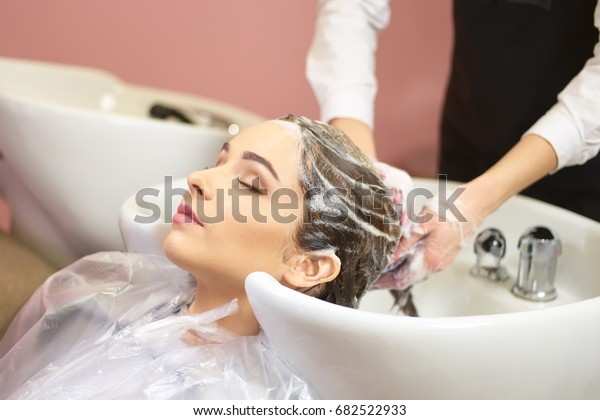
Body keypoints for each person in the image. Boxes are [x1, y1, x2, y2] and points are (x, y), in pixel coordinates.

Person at [0, 115, 401, 399]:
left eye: (250, 184)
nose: (198, 178)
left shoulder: (243, 397)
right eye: (218, 162)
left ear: (307, 266)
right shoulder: (110, 296)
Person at [306, 0, 600, 282]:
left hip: (580, 166)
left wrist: (476, 202)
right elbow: (351, 7)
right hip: (468, 130)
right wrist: (361, 166)